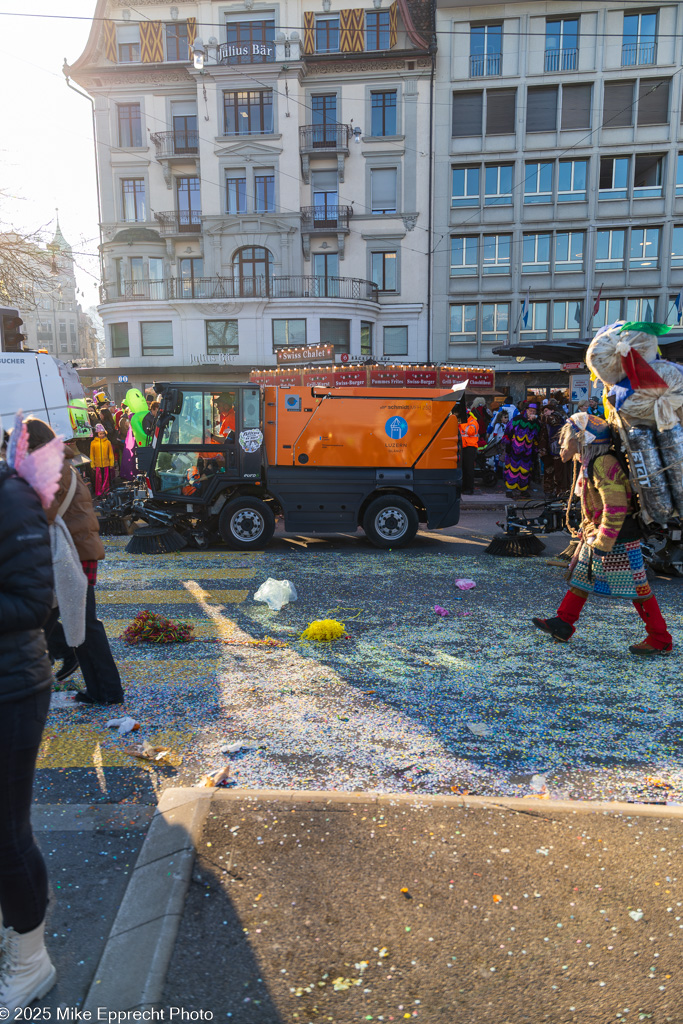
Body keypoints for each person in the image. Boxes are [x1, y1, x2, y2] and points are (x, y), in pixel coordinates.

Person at [532, 413, 673, 656]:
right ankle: (563, 623)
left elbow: (616, 507)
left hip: (617, 538)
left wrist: (603, 542)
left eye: (568, 437)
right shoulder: (593, 461)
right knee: (581, 578)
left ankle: (660, 638)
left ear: (584, 439)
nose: (563, 443)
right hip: (599, 534)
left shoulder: (603, 464)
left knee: (639, 589)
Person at [0, 432, 58, 1008]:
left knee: (7, 835)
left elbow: (33, 602)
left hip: (12, 691)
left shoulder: (11, 496)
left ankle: (31, 959)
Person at [25, 419, 124, 704]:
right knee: (75, 621)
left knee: (81, 622)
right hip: (78, 549)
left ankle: (107, 690)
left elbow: (42, 511)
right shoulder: (61, 462)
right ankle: (100, 688)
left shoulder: (47, 467)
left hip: (72, 553)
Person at [502, 400, 540, 494]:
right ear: (526, 410)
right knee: (512, 469)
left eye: (534, 411)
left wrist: (536, 449)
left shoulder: (536, 423)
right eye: (531, 410)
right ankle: (510, 489)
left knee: (525, 470)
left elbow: (538, 437)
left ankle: (523, 488)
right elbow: (508, 432)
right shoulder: (517, 420)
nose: (532, 413)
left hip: (528, 452)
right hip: (514, 450)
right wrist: (508, 445)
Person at [538, 401, 570, 498]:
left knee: (559, 473)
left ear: (552, 410)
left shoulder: (557, 417)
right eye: (544, 411)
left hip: (557, 451)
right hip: (547, 451)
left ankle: (560, 492)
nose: (545, 413)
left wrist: (537, 417)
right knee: (548, 472)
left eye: (547, 411)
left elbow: (553, 420)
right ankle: (548, 491)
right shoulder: (545, 421)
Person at [90, 423, 115, 496]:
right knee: (98, 479)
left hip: (106, 464)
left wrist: (111, 463)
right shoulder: (93, 443)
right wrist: (92, 464)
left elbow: (110, 453)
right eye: (100, 434)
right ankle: (99, 492)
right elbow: (92, 454)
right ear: (97, 433)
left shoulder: (108, 442)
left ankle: (106, 491)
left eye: (103, 433)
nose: (102, 435)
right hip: (97, 464)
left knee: (106, 479)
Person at [459, 406, 479, 494]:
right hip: (463, 447)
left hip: (470, 447)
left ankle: (469, 489)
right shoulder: (466, 422)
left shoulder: (473, 422)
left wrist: (461, 424)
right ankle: (464, 487)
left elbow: (470, 431)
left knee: (468, 469)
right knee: (463, 468)